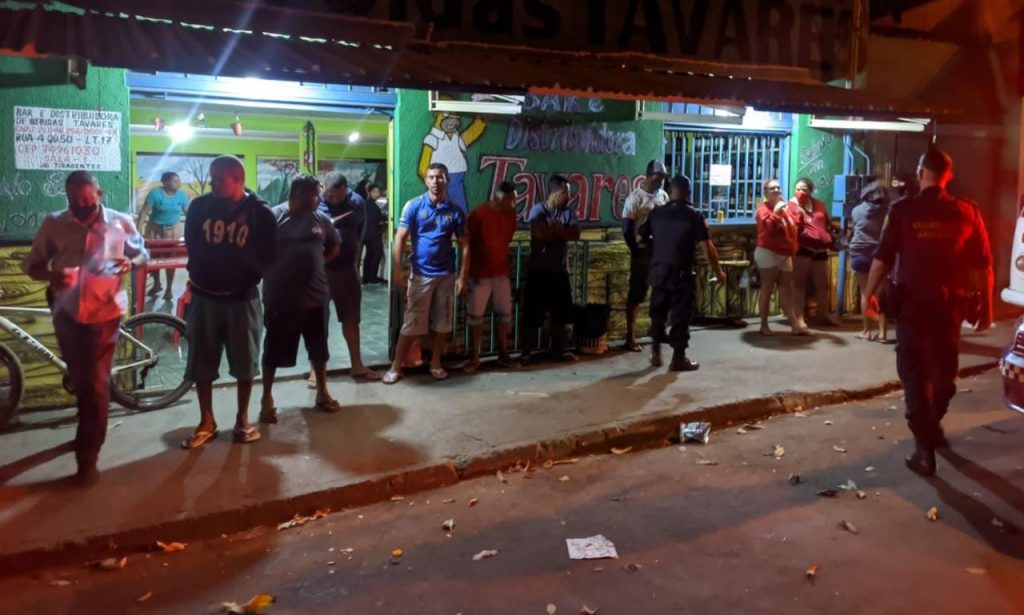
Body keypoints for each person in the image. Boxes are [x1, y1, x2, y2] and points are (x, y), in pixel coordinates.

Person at [863, 148, 993, 476]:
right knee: (944, 375)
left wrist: (868, 296)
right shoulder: (968, 211)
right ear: (948, 174)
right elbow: (983, 266)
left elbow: (882, 257)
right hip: (949, 309)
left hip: (913, 308)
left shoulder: (904, 210)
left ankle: (925, 444)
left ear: (921, 172)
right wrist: (987, 306)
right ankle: (930, 428)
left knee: (915, 374)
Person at [22, 171, 148, 485]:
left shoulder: (120, 223)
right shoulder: (54, 224)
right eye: (74, 202)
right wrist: (54, 277)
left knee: (95, 383)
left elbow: (144, 254)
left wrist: (132, 263)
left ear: (99, 195)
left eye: (87, 201)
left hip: (105, 314)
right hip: (67, 312)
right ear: (66, 199)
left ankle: (87, 459)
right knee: (80, 380)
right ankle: (87, 429)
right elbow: (32, 266)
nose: (81, 207)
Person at [182, 155, 277, 449]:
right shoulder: (199, 207)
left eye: (218, 178)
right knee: (201, 363)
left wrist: (246, 274)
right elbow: (193, 246)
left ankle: (242, 420)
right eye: (212, 178)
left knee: (245, 363)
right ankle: (206, 421)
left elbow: (269, 257)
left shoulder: (261, 214)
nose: (212, 183)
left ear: (237, 179)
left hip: (242, 300)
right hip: (204, 297)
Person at [259, 175, 342, 424]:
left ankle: (322, 392)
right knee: (273, 350)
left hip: (316, 297)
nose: (319, 198)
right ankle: (266, 399)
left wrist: (316, 264)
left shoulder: (321, 219)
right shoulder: (274, 217)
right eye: (315, 194)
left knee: (319, 348)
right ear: (298, 194)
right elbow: (257, 251)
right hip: (281, 298)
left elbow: (334, 246)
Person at [384, 163, 469, 384]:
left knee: (443, 322)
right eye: (431, 177)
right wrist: (398, 269)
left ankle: (436, 363)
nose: (435, 181)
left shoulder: (455, 211)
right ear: (426, 181)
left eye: (440, 177)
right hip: (421, 274)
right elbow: (400, 238)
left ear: (447, 181)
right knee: (412, 322)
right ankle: (396, 366)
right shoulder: (413, 206)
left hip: (446, 275)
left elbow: (465, 245)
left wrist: (462, 276)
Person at [639, 175, 725, 371]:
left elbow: (641, 238)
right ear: (688, 192)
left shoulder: (657, 213)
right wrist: (719, 272)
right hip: (681, 272)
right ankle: (678, 358)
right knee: (680, 315)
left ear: (670, 191)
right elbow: (708, 248)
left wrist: (653, 257)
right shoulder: (694, 216)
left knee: (658, 312)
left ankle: (655, 352)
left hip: (658, 270)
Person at [314, 172, 380, 384]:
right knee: (317, 321)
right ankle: (317, 369)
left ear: (346, 190)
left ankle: (357, 365)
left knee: (352, 319)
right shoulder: (315, 202)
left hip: (346, 270)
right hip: (319, 272)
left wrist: (356, 263)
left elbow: (360, 235)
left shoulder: (357, 202)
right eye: (330, 197)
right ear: (324, 188)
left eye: (339, 197)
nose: (334, 201)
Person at [520, 175, 580, 364]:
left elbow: (575, 234)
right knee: (531, 315)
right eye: (565, 192)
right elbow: (539, 234)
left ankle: (558, 352)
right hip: (538, 271)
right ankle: (526, 354)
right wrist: (561, 233)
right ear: (554, 192)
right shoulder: (538, 210)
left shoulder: (568, 212)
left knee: (560, 316)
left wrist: (555, 231)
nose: (568, 196)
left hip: (559, 272)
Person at [464, 180, 519, 373]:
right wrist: (465, 274)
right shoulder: (478, 213)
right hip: (479, 274)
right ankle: (474, 357)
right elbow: (466, 244)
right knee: (475, 317)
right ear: (499, 196)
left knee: (505, 314)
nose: (513, 202)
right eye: (511, 198)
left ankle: (503, 354)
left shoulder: (511, 214)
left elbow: (507, 240)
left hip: (501, 273)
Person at [621, 160, 669, 351]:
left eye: (663, 178)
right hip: (642, 251)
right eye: (658, 177)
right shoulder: (635, 197)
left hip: (659, 252)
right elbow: (626, 228)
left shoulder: (663, 196)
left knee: (662, 293)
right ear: (648, 176)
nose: (661, 181)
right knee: (636, 295)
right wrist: (635, 249)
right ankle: (630, 337)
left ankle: (659, 330)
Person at [754, 178, 803, 335]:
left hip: (785, 253)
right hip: (768, 251)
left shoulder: (785, 208)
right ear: (765, 193)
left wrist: (798, 214)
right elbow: (766, 228)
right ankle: (763, 325)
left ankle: (795, 325)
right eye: (772, 189)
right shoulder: (763, 209)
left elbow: (794, 227)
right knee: (767, 288)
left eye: (778, 188)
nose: (776, 191)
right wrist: (776, 212)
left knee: (785, 290)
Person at [790, 177, 839, 329]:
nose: (800, 192)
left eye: (804, 189)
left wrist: (832, 231)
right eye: (798, 189)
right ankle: (799, 318)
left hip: (821, 249)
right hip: (803, 249)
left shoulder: (818, 204)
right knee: (799, 284)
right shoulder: (792, 205)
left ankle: (822, 315)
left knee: (822, 285)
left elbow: (826, 220)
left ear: (810, 190)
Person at [848, 180, 890, 341]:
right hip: (879, 257)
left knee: (866, 293)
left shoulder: (856, 210)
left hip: (859, 255)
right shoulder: (889, 212)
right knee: (880, 295)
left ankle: (866, 331)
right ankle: (883, 333)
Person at [137, 171, 188, 300]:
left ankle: (169, 289)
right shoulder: (155, 194)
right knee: (155, 259)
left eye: (179, 180)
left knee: (171, 260)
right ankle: (157, 284)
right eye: (175, 181)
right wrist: (137, 233)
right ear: (165, 182)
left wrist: (195, 230)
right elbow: (143, 213)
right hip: (155, 228)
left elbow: (189, 214)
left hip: (173, 229)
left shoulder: (182, 196)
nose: (178, 183)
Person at [362, 183, 387, 284]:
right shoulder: (370, 204)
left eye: (378, 192)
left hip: (368, 233)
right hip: (372, 233)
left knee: (370, 255)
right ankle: (372, 278)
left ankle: (367, 277)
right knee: (376, 254)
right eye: (374, 192)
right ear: (369, 192)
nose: (377, 194)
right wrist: (383, 218)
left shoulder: (369, 203)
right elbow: (376, 218)